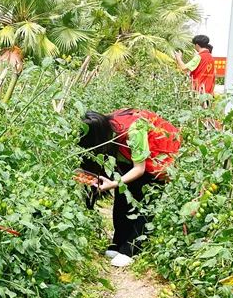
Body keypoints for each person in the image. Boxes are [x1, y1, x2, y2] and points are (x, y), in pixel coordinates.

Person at [78, 109, 181, 268]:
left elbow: (139, 169)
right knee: (123, 196)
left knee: (145, 200)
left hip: (156, 155)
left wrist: (113, 183)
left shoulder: (134, 130)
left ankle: (131, 249)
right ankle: (118, 242)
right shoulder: (107, 128)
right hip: (129, 157)